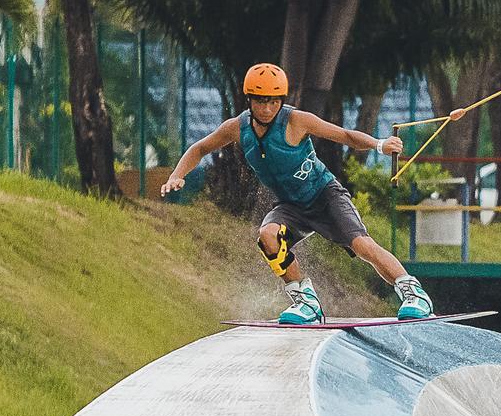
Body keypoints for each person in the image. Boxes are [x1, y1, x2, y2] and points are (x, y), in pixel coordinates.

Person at [161, 63, 458, 324]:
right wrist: (177, 174)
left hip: (325, 195)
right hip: (291, 205)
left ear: (281, 100)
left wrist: (379, 145)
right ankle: (306, 301)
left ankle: (413, 293)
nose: (266, 108)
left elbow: (343, 135)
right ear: (249, 99)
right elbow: (200, 148)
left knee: (361, 245)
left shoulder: (295, 120)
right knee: (267, 236)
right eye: (260, 101)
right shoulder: (237, 128)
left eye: (273, 101)